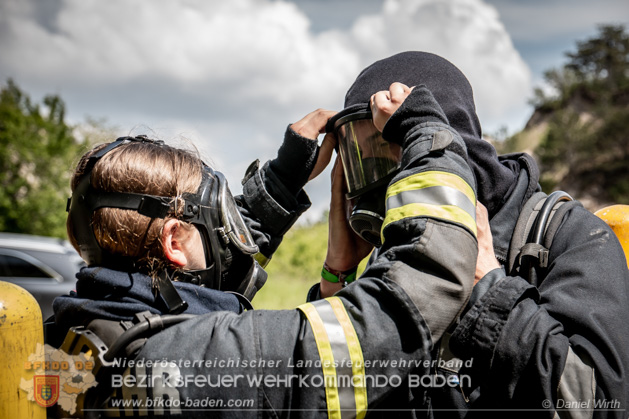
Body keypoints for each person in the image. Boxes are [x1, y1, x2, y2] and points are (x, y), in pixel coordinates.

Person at [46, 76, 479, 417]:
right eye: (221, 219)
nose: (227, 234)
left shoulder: (78, 329)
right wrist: (431, 141)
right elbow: (400, 313)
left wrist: (281, 180)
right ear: (174, 241)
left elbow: (214, 270)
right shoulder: (213, 360)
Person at [321, 51, 629, 417]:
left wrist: (489, 288)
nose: (377, 180)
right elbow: (333, 395)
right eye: (361, 160)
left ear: (451, 143)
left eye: (390, 152)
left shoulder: (566, 237)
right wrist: (337, 279)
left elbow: (601, 406)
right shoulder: (392, 256)